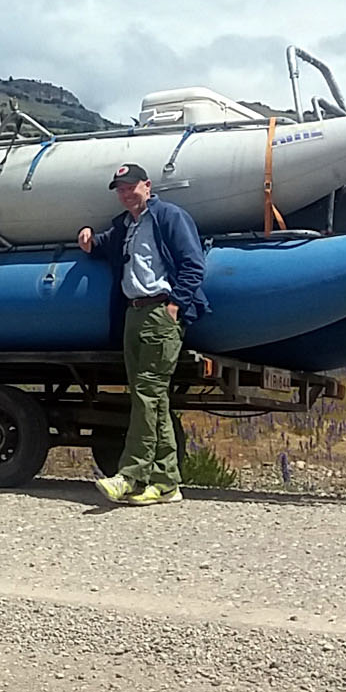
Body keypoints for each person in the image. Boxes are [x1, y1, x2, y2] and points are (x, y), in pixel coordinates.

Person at [76, 163, 209, 505]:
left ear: (147, 186)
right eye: (119, 189)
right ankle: (167, 483)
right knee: (150, 398)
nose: (124, 193)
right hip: (133, 314)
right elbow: (106, 246)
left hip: (160, 313)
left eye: (130, 187)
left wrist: (176, 306)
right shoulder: (125, 226)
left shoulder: (170, 217)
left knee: (148, 394)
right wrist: (89, 237)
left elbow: (193, 263)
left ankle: (130, 477)